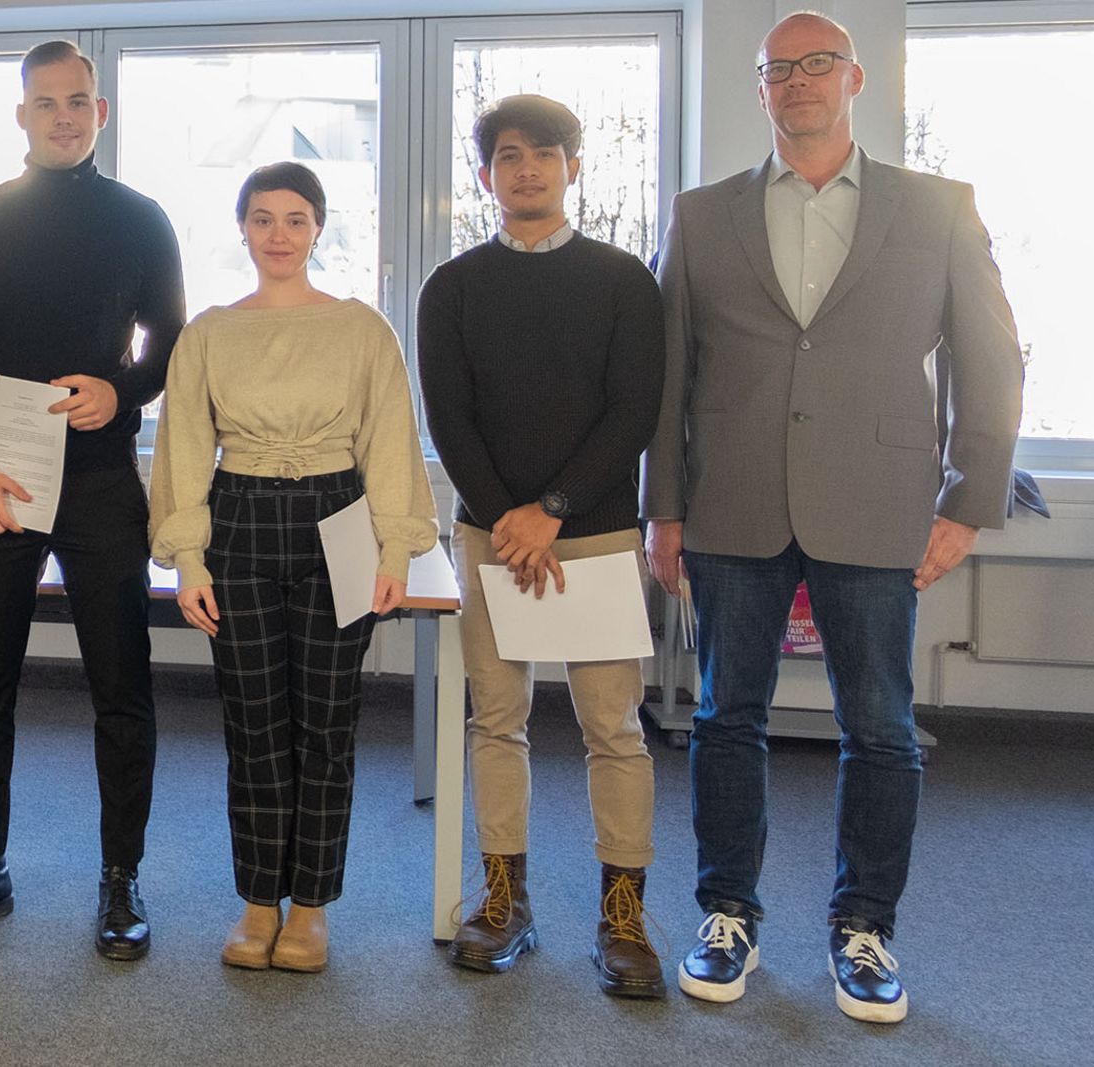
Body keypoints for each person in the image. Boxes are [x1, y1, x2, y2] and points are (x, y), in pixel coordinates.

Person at [644, 13, 1022, 1024]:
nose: (798, 81)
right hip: (732, 503)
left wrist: (967, 501)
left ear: (853, 79)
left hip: (879, 502)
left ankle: (864, 929)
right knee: (725, 717)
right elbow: (669, 375)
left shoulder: (938, 207)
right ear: (760, 89)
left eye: (818, 64)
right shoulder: (700, 215)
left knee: (880, 726)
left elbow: (992, 359)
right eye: (779, 69)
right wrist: (663, 508)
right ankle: (726, 914)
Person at [0, 38, 186, 961]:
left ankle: (121, 877)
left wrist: (125, 389)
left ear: (99, 112)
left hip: (102, 477)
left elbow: (170, 341)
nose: (64, 117)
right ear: (22, 114)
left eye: (79, 102)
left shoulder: (142, 220)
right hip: (0, 477)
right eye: (47, 103)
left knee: (123, 686)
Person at [148, 162, 435, 973]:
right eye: (264, 218)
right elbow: (183, 447)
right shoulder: (208, 333)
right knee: (253, 725)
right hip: (238, 519)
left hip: (338, 517)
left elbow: (389, 439)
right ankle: (257, 901)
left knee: (327, 724)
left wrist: (394, 548)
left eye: (296, 219)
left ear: (318, 229)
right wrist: (188, 557)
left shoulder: (362, 329)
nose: (279, 234)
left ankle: (309, 906)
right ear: (243, 229)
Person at [415, 94, 668, 998]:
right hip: (490, 535)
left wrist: (551, 511)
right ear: (487, 174)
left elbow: (634, 410)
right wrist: (510, 520)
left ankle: (624, 918)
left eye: (545, 154)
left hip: (593, 533)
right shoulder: (451, 287)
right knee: (496, 719)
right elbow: (450, 419)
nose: (527, 169)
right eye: (509, 155)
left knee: (614, 727)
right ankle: (504, 901)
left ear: (573, 167)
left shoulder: (624, 280)